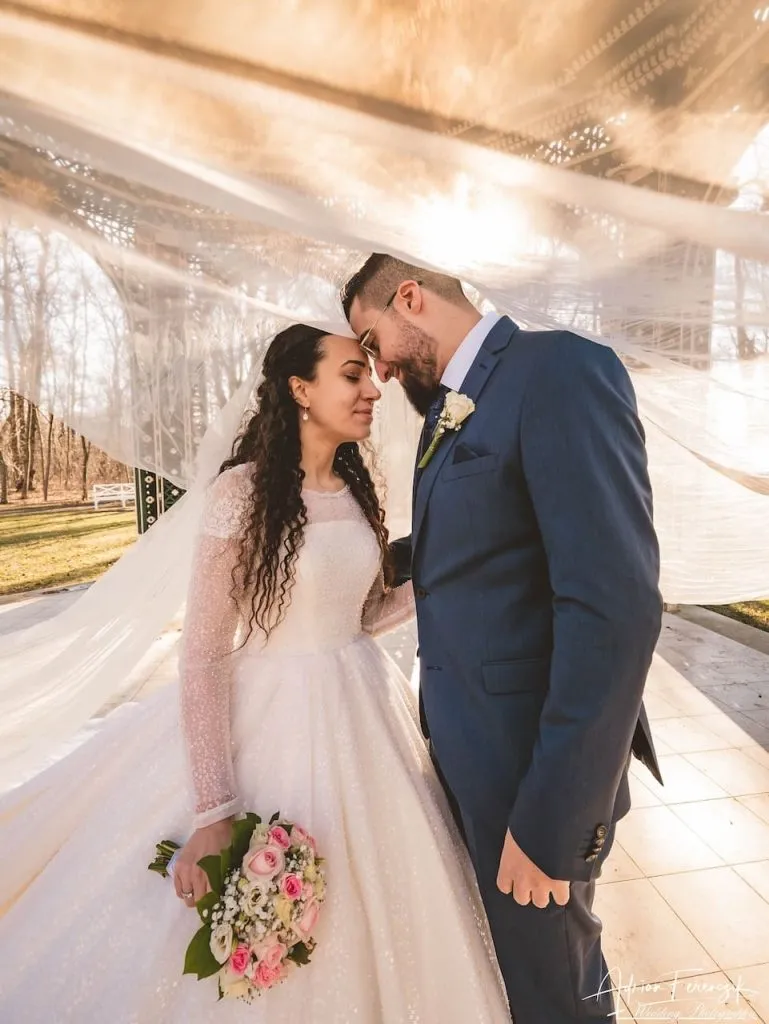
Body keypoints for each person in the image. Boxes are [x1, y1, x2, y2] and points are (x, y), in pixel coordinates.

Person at [0, 325, 510, 1022]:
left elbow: (357, 615)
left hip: (362, 703)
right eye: (351, 375)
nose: (370, 391)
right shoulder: (240, 495)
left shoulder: (358, 488)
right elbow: (205, 650)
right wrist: (212, 811)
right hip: (271, 707)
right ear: (300, 390)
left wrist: (445, 576)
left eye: (367, 377)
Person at [342, 255, 664, 1024]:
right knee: (511, 987)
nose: (375, 370)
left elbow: (614, 606)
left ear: (409, 298)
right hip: (473, 759)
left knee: (556, 997)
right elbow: (477, 539)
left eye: (369, 338)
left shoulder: (556, 371)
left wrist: (552, 820)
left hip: (535, 779)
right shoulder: (449, 410)